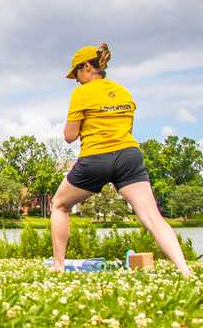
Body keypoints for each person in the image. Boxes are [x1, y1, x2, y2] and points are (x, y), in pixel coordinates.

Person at [49, 43, 192, 276]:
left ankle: (58, 266)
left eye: (76, 73)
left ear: (86, 67)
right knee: (151, 215)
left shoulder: (82, 93)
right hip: (129, 156)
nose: (76, 80)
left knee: (59, 205)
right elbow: (128, 128)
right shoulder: (124, 91)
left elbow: (69, 136)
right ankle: (184, 269)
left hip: (96, 158)